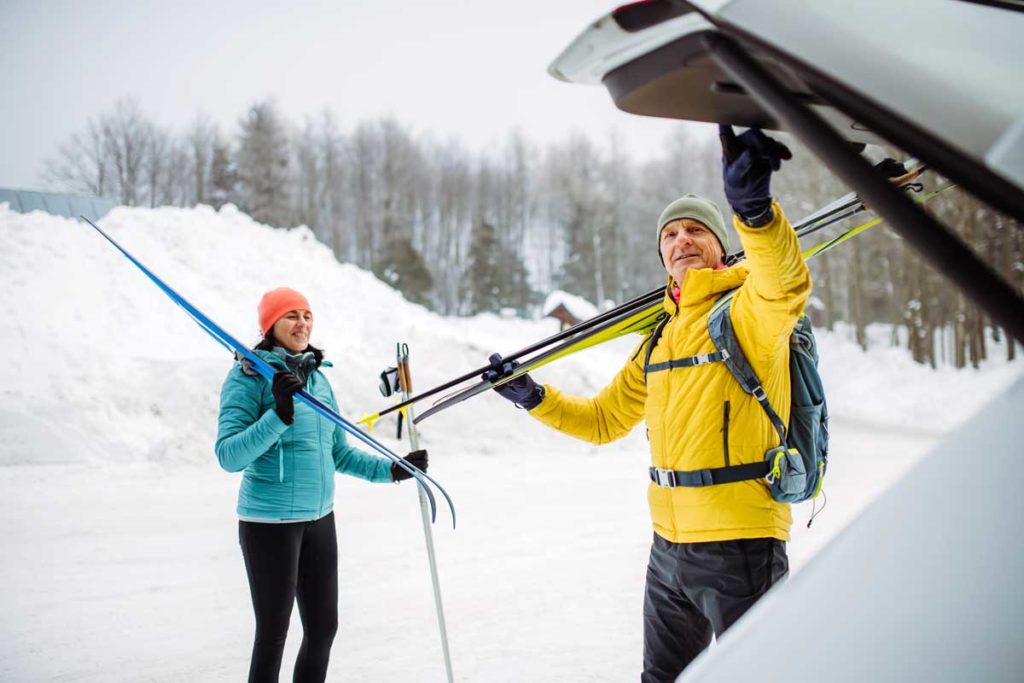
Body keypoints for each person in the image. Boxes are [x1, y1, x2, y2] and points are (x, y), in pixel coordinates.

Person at [487, 127, 808, 681]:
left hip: (741, 543)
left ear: (719, 244)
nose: (681, 240)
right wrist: (532, 395)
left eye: (695, 231)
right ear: (661, 253)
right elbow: (604, 421)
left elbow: (784, 283)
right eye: (671, 234)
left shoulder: (749, 313)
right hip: (668, 550)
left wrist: (754, 211)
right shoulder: (658, 339)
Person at [215, 286, 427, 683]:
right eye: (291, 315)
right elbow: (229, 455)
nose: (302, 323)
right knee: (273, 635)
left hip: (319, 520)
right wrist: (278, 414)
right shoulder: (248, 378)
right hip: (269, 523)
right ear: (270, 325)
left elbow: (339, 453)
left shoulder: (318, 379)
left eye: (307, 315)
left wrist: (394, 469)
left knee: (323, 629)